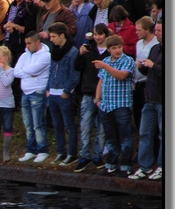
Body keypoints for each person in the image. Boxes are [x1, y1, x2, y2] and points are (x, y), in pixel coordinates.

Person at [92, 35, 135, 175]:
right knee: (110, 137)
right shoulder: (105, 61)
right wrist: (97, 100)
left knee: (125, 137)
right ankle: (111, 164)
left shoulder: (128, 60)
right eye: (114, 48)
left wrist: (105, 66)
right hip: (106, 105)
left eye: (119, 47)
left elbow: (121, 75)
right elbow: (101, 81)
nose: (117, 50)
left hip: (121, 105)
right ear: (109, 49)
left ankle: (126, 166)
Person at [74, 24, 111, 172]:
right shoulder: (89, 49)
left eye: (100, 34)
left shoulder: (109, 52)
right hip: (88, 93)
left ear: (106, 35)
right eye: (95, 34)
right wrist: (80, 54)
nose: (97, 37)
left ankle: (97, 155)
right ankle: (84, 155)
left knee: (102, 129)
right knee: (85, 127)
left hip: (104, 95)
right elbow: (77, 67)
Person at [45, 22, 81, 166]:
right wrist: (48, 88)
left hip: (64, 94)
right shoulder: (54, 51)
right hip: (52, 92)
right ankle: (61, 152)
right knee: (57, 124)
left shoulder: (72, 52)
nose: (51, 39)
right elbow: (51, 70)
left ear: (62, 35)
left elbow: (74, 74)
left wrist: (67, 91)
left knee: (69, 125)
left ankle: (72, 154)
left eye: (53, 36)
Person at [13, 31, 52, 163]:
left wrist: (27, 72)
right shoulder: (24, 55)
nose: (27, 46)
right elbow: (16, 71)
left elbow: (34, 70)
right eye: (26, 43)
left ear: (37, 42)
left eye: (29, 43)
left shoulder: (46, 56)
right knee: (28, 124)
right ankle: (31, 149)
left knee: (38, 123)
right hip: (26, 92)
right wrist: (28, 73)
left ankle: (42, 150)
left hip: (37, 92)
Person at [132, 21, 162, 180]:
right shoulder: (155, 48)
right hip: (149, 97)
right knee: (144, 133)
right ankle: (144, 166)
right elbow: (149, 70)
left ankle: (162, 166)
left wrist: (153, 66)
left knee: (163, 135)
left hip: (162, 99)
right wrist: (142, 66)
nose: (156, 33)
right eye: (156, 30)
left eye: (159, 30)